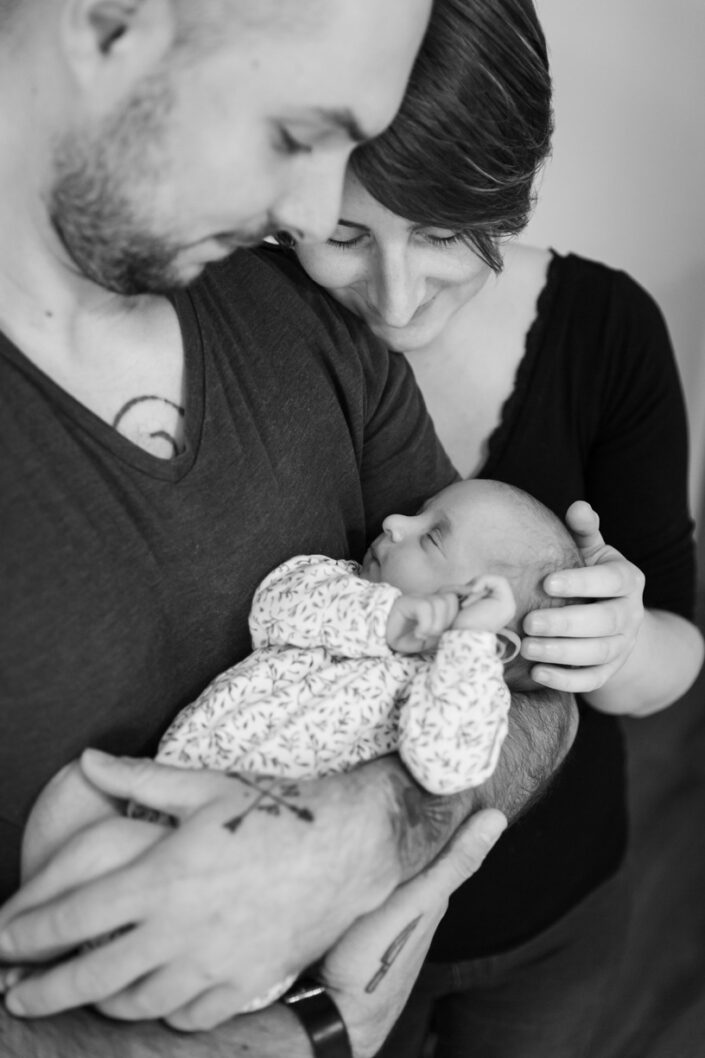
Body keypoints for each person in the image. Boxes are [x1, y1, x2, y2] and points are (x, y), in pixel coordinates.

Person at [0, 2, 578, 1056]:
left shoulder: (299, 321)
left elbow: (537, 696)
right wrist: (291, 1037)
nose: (312, 215)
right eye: (296, 133)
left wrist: (363, 835)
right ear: (109, 20)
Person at [287, 0, 705, 1054]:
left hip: (555, 913)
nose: (394, 299)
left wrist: (618, 641)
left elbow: (675, 654)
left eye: (439, 233)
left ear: (505, 191)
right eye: (344, 235)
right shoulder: (259, 336)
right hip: (324, 942)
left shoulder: (606, 333)